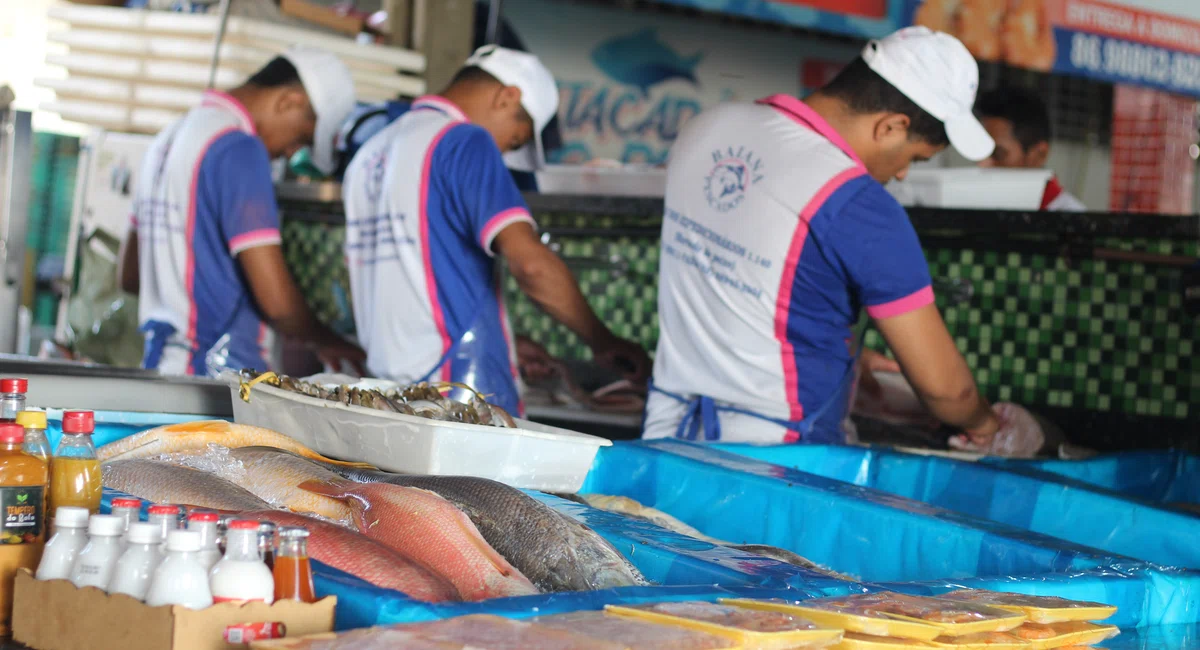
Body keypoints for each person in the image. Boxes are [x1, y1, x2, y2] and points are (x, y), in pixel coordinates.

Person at [643, 27, 1041, 455]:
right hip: (775, 458)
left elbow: (744, 283)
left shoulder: (707, 128)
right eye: (914, 158)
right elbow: (948, 393)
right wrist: (985, 424)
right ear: (891, 126)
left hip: (665, 432)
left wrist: (848, 357)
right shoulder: (859, 203)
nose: (904, 174)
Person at [342, 45, 650, 416]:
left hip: (385, 396)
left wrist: (508, 342)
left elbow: (413, 287)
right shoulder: (464, 141)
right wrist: (602, 340)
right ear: (507, 97)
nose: (504, 151)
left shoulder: (368, 155)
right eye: (515, 140)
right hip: (457, 400)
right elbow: (531, 266)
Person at [119, 48, 366, 376]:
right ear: (289, 101)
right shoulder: (239, 148)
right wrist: (328, 340)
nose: (290, 154)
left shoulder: (166, 140)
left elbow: (130, 276)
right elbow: (278, 305)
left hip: (160, 367)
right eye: (300, 140)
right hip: (217, 379)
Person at [976, 86, 1086, 211]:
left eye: (998, 154)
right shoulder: (976, 205)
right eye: (978, 152)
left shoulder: (1071, 221)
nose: (982, 164)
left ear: (1039, 154)